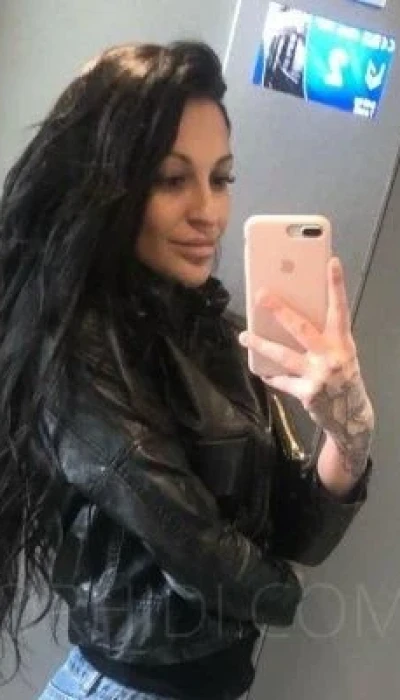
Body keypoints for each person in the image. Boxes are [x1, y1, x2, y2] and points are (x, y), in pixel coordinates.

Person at [0, 40, 374, 700]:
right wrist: (287, 593)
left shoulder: (215, 329)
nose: (209, 211)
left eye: (220, 179)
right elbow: (200, 551)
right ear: (109, 184)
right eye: (172, 180)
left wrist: (347, 432)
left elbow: (296, 531)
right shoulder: (77, 349)